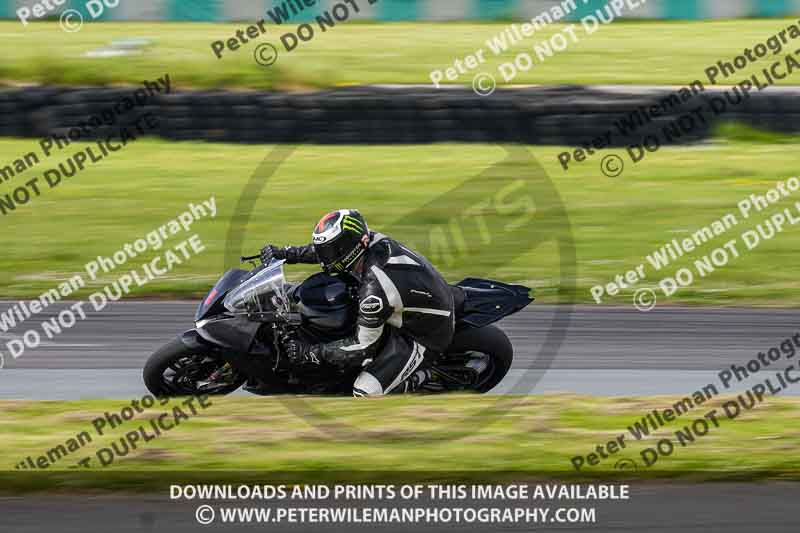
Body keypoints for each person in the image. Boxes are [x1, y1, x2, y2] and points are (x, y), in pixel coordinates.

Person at [260, 209, 456, 396]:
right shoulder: (368, 240)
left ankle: (428, 375)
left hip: (424, 333)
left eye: (331, 251)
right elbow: (326, 252)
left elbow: (362, 347)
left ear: (349, 249)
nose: (324, 258)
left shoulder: (374, 291)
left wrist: (310, 353)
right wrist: (286, 253)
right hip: (417, 299)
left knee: (366, 391)